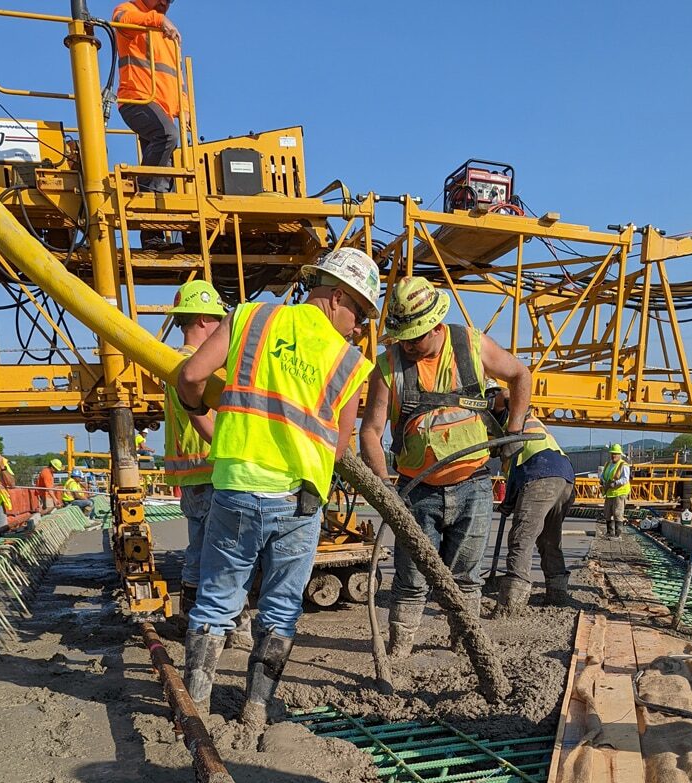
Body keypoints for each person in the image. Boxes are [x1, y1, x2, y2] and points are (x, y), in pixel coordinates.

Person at [177, 247, 379, 727]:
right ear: (336, 297)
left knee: (218, 599)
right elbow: (337, 447)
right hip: (301, 501)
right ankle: (256, 707)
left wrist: (199, 415)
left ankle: (196, 705)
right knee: (283, 606)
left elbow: (190, 375)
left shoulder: (252, 318)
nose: (359, 327)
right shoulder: (348, 361)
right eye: (360, 313)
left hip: (238, 487)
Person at [359, 275, 532, 659]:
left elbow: (521, 375)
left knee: (467, 578)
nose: (407, 345)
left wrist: (515, 429)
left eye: (414, 337)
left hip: (473, 485)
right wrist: (387, 491)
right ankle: (400, 650)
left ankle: (465, 646)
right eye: (402, 337)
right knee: (410, 579)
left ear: (436, 326)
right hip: (415, 490)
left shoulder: (470, 344)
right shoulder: (388, 367)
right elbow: (370, 431)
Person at [163, 279, 249, 646]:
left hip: (193, 475)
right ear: (201, 319)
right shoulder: (202, 368)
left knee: (198, 550)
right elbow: (209, 421)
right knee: (230, 553)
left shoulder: (171, 362)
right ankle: (234, 626)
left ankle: (191, 620)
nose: (221, 328)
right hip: (214, 469)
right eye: (217, 320)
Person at [487, 386, 576, 614]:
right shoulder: (521, 421)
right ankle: (557, 593)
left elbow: (507, 394)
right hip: (563, 475)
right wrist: (510, 499)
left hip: (541, 473)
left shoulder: (512, 414)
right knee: (548, 538)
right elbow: (517, 468)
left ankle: (511, 605)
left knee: (521, 537)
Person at [113, 0, 184, 250]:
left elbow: (177, 78)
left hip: (161, 109)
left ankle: (152, 237)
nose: (165, 3)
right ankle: (139, 193)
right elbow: (122, 22)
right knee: (166, 136)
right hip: (136, 99)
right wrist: (158, 19)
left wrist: (183, 108)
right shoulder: (128, 11)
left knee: (164, 173)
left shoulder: (168, 37)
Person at [599, 443, 630, 537]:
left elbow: (625, 479)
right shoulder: (608, 464)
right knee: (607, 512)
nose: (613, 455)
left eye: (615, 453)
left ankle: (618, 534)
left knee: (617, 513)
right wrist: (602, 480)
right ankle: (609, 532)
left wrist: (616, 483)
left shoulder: (623, 465)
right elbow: (603, 475)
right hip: (609, 492)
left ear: (620, 454)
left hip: (619, 493)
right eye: (612, 453)